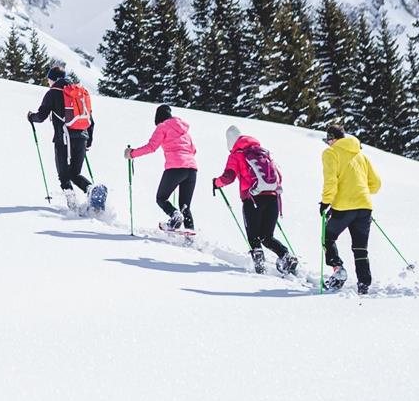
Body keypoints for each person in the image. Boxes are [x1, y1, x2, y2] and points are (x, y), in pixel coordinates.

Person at [212, 125, 297, 276]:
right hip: (272, 198)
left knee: (253, 237)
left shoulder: (236, 154)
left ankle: (260, 271)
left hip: (253, 199)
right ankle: (286, 255)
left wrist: (216, 183)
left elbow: (229, 177)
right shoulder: (263, 152)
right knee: (267, 236)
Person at [320, 121, 382, 292]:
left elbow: (331, 181)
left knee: (328, 237)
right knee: (360, 248)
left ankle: (338, 270)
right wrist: (359, 192)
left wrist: (325, 202)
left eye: (328, 139)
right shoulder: (360, 155)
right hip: (365, 206)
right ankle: (364, 283)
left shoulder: (330, 153)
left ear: (332, 139)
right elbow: (375, 184)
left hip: (343, 207)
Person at [27, 63, 94, 208]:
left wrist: (31, 117)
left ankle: (73, 206)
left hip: (63, 138)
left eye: (49, 80)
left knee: (63, 175)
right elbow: (90, 119)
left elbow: (42, 116)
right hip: (82, 136)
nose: (48, 83)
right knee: (75, 173)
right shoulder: (79, 91)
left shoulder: (53, 92)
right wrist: (88, 141)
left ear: (53, 79)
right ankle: (91, 190)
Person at [126, 103, 197, 232]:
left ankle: (175, 216)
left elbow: (151, 147)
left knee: (161, 198)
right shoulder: (185, 131)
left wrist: (132, 153)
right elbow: (193, 150)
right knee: (185, 206)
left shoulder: (162, 127)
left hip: (175, 168)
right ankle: (190, 235)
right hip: (192, 170)